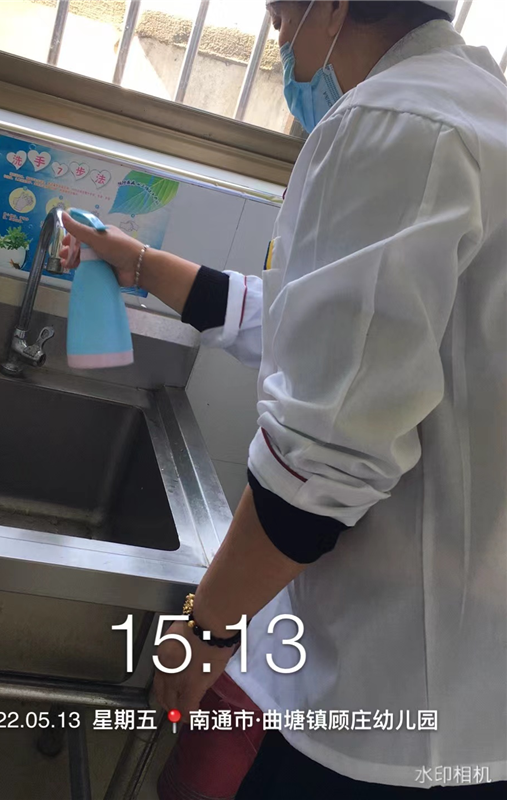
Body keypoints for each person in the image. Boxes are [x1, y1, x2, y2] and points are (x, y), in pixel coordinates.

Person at [60, 1, 507, 795]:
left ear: (329, 6)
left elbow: (324, 456)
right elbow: (319, 329)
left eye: (276, 12)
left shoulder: (393, 124)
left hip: (396, 697)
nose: (276, 35)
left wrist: (204, 631)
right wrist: (140, 266)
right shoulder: (475, 107)